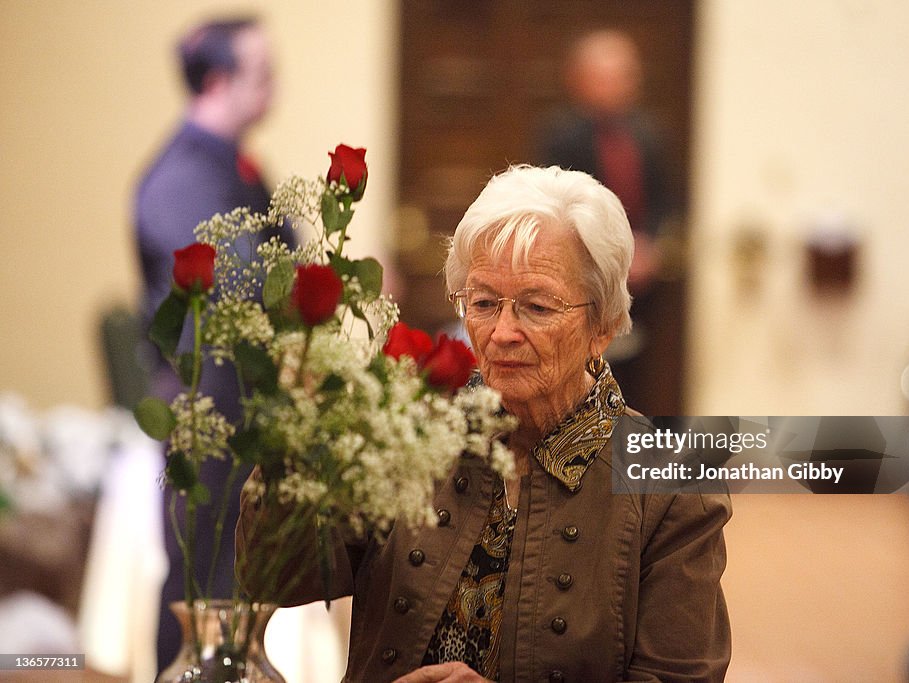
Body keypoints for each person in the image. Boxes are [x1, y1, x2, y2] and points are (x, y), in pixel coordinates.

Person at [237, 165, 731, 682]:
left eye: (537, 307)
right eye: (483, 303)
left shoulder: (673, 481)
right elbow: (274, 577)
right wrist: (292, 434)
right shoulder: (407, 432)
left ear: (603, 325)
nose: (501, 333)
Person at [133, 16, 290, 670]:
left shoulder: (235, 164)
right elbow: (235, 284)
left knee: (240, 583)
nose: (276, 85)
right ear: (219, 80)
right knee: (203, 585)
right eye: (262, 72)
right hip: (210, 408)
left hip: (242, 400)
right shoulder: (181, 178)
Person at [537, 30, 683, 415]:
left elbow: (668, 200)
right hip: (582, 283)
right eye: (605, 75)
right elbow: (554, 206)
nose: (617, 85)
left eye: (625, 74)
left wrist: (650, 245)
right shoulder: (559, 136)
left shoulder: (650, 133)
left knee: (639, 390)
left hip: (644, 288)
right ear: (579, 79)